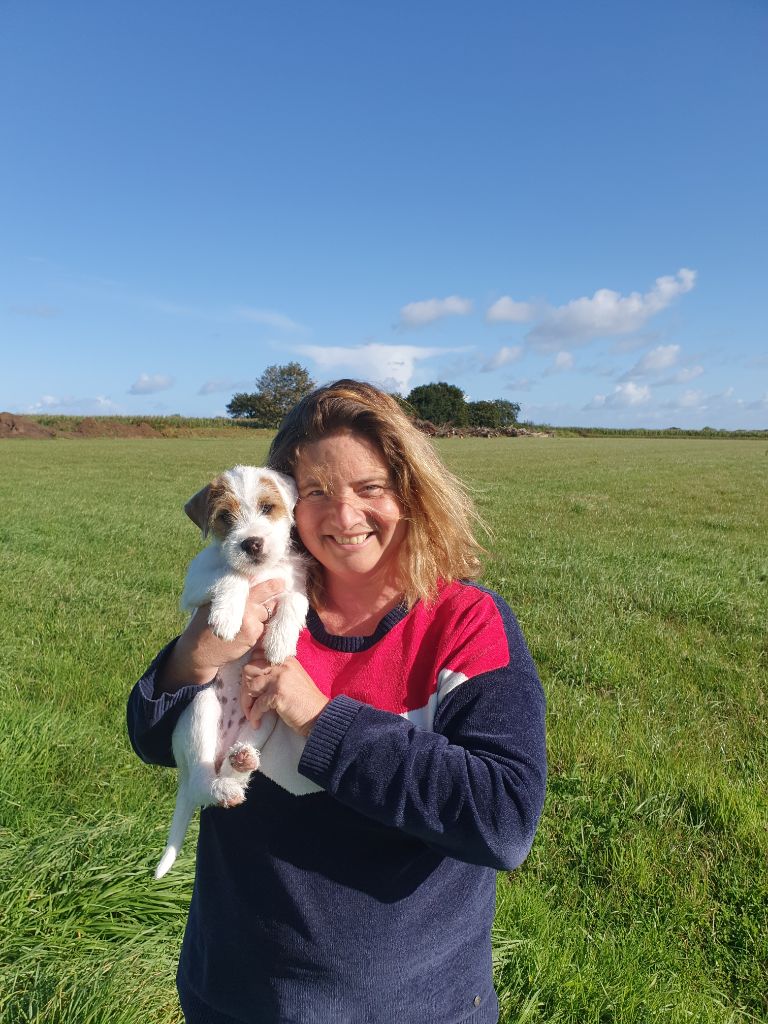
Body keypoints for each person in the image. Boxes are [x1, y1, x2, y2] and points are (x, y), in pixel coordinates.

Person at [127, 379, 546, 1024]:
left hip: (409, 1005)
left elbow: (502, 817)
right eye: (317, 493)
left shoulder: (465, 623)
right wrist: (199, 653)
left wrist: (320, 720)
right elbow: (154, 739)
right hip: (238, 991)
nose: (344, 516)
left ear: (411, 493)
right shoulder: (260, 596)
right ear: (287, 503)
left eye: (370, 488)